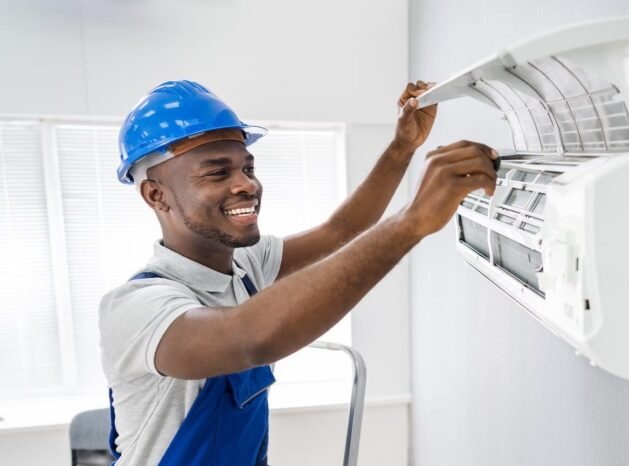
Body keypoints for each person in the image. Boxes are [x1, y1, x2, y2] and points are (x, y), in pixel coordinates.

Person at [99, 80, 497, 465]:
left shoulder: (247, 265)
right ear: (156, 194)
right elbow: (250, 338)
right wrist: (410, 222)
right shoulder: (137, 308)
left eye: (247, 168)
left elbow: (340, 231)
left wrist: (401, 148)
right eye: (218, 173)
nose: (246, 185)